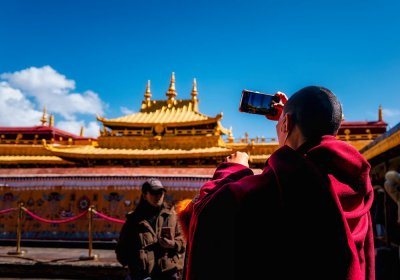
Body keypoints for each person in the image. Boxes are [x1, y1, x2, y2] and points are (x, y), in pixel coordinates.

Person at [178, 86, 375, 279]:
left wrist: (232, 171)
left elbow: (206, 215)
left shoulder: (281, 185)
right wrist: (291, 119)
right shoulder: (353, 181)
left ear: (286, 124)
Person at [116, 178, 186, 280]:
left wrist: (173, 244)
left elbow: (183, 241)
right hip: (142, 274)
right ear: (145, 195)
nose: (158, 196)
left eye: (160, 192)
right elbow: (122, 249)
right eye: (154, 192)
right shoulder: (134, 220)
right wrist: (136, 263)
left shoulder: (171, 216)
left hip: (168, 272)